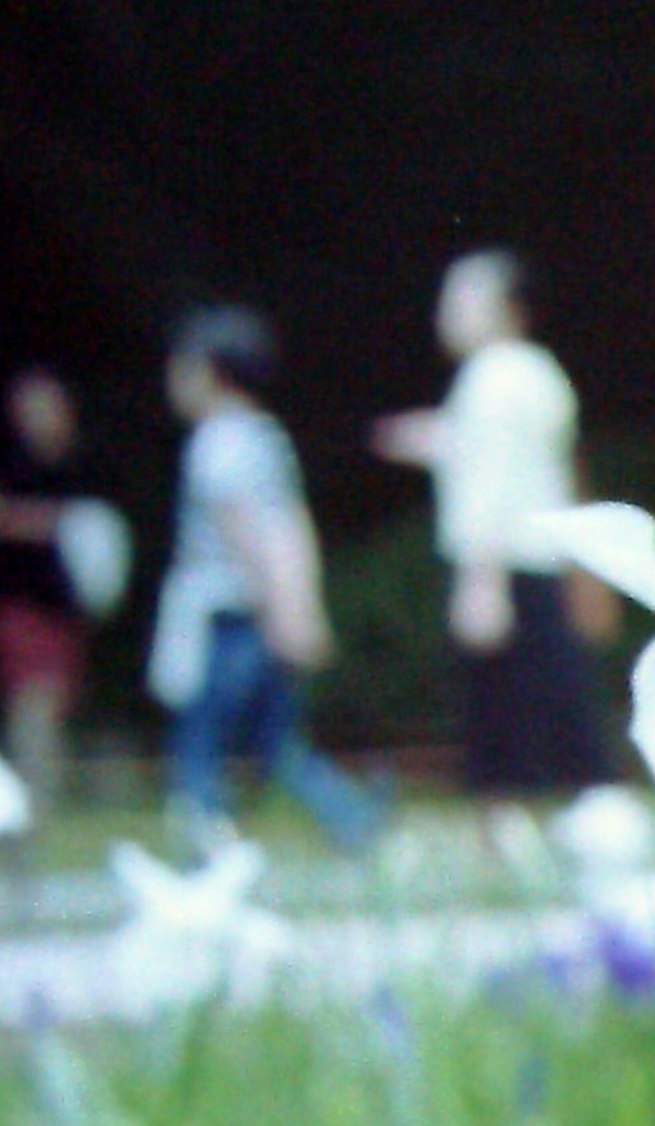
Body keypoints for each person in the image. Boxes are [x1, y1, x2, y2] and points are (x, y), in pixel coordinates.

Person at [373, 249, 608, 796]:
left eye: (463, 298)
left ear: (508, 307)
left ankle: (528, 820)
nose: (447, 311)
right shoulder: (534, 371)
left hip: (503, 565)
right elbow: (522, 458)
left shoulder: (490, 378)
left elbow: (491, 484)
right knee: (553, 699)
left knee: (507, 715)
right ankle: (587, 805)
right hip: (537, 561)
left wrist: (482, 583)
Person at [150, 307, 384, 847]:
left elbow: (248, 530)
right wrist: (299, 605)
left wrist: (288, 611)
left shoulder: (217, 443)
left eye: (181, 369)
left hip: (226, 619)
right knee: (277, 743)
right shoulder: (264, 436)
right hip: (261, 611)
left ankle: (206, 847)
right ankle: (355, 821)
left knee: (201, 741)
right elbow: (290, 527)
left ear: (211, 371)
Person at [0, 368, 105, 802]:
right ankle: (21, 812)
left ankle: (31, 811)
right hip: (20, 608)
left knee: (52, 711)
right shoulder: (8, 465)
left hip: (66, 613)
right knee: (34, 708)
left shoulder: (83, 465)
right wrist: (46, 525)